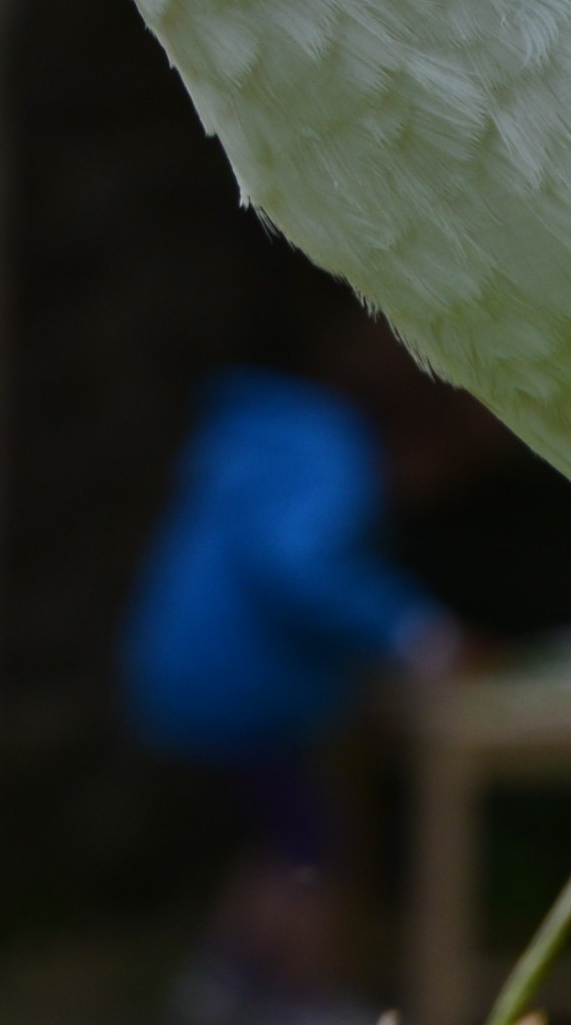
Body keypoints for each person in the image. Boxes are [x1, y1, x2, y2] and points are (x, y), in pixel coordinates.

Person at [126, 366, 462, 1025]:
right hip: (233, 685)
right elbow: (302, 564)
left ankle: (224, 983)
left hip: (191, 671)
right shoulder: (331, 448)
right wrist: (413, 631)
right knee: (314, 846)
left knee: (279, 833)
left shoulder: (275, 436)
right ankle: (302, 998)